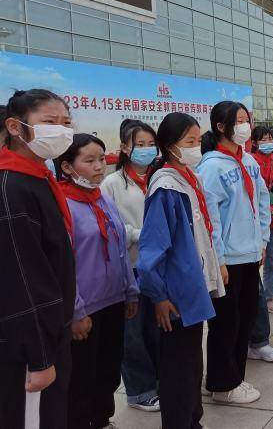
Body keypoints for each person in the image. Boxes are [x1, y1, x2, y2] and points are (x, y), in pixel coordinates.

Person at [138, 112, 225, 429]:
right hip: (174, 295)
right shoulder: (166, 186)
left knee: (191, 362)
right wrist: (159, 296)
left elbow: (202, 234)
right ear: (169, 146)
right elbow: (152, 248)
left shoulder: (189, 177)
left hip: (193, 287)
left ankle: (192, 419)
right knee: (176, 368)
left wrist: (216, 269)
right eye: (189, 141)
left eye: (198, 139)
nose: (196, 146)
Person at [0, 90, 76, 429]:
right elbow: (22, 280)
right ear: (16, 128)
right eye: (49, 122)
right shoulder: (11, 188)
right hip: (27, 348)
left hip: (51, 334)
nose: (60, 131)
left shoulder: (37, 177)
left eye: (66, 123)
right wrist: (40, 356)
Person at [56, 133, 139, 429]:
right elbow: (62, 264)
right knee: (81, 375)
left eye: (102, 159)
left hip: (113, 299)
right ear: (67, 167)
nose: (99, 167)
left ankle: (102, 419)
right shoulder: (60, 203)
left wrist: (130, 291)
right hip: (84, 307)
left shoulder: (101, 198)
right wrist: (76, 311)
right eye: (89, 161)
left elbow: (120, 248)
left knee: (108, 368)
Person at [196, 101, 271, 405]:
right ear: (220, 127)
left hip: (251, 253)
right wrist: (219, 259)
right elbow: (210, 218)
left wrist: (262, 240)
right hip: (228, 260)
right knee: (226, 322)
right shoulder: (212, 166)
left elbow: (262, 200)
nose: (245, 126)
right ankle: (223, 383)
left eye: (246, 119)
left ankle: (229, 375)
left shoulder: (249, 161)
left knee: (244, 317)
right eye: (238, 121)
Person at [100, 119, 161, 413]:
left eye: (151, 144)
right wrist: (142, 234)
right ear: (125, 147)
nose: (147, 150)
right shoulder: (112, 183)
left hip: (159, 265)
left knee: (156, 328)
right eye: (140, 144)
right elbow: (111, 226)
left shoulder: (159, 176)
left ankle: (159, 380)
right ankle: (139, 391)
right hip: (132, 266)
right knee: (132, 333)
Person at [250, 125, 273, 314]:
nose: (268, 143)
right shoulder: (251, 162)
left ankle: (269, 296)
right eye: (263, 139)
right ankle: (254, 297)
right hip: (256, 222)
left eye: (270, 139)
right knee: (254, 261)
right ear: (255, 142)